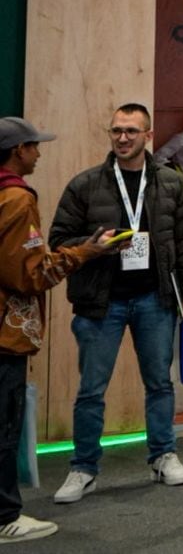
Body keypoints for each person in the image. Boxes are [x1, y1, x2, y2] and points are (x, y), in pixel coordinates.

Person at [50, 103, 183, 504]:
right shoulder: (85, 185)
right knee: (91, 390)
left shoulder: (170, 183)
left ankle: (163, 455)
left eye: (131, 131)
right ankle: (83, 468)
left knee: (159, 384)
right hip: (101, 304)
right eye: (117, 130)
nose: (122, 138)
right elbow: (58, 241)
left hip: (154, 299)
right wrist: (92, 245)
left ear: (148, 136)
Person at [0, 118, 117, 543]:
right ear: (18, 150)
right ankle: (5, 517)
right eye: (34, 146)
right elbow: (28, 275)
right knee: (5, 426)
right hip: (6, 332)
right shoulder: (16, 199)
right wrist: (85, 251)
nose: (38, 153)